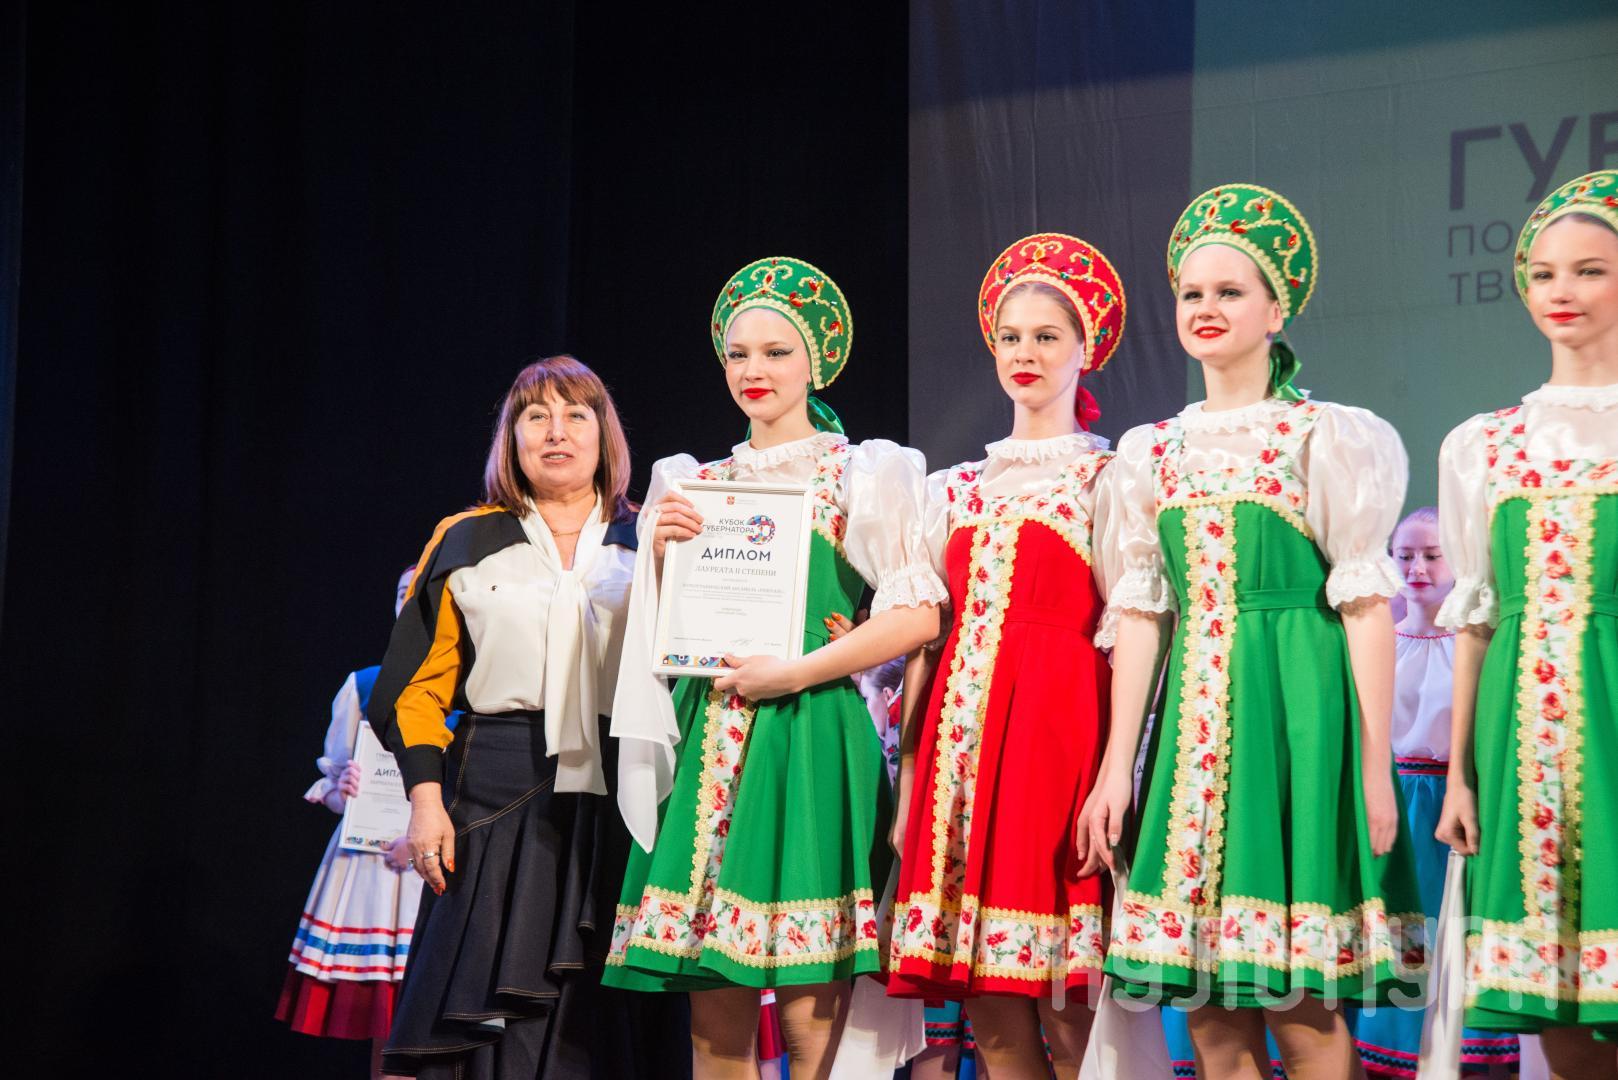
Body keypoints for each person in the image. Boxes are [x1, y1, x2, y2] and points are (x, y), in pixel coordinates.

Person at [1081, 184, 1426, 1078]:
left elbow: (1363, 602)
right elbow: (1143, 616)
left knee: (1301, 1005)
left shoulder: (1324, 436)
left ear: (1276, 312)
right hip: (1192, 735)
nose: (1207, 308)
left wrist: (1373, 764)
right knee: (1208, 1012)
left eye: (1230, 292)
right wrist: (1117, 768)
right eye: (1192, 293)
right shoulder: (1151, 451)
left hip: (1295, 718)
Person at [606, 255, 945, 1079]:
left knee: (807, 1017)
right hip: (712, 737)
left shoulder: (862, 472)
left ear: (816, 362)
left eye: (776, 352)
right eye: (738, 354)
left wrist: (796, 671)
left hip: (810, 729)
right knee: (714, 1022)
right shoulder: (694, 483)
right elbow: (660, 641)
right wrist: (662, 557)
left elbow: (917, 615)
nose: (753, 370)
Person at [369, 356, 686, 1078]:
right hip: (491, 793)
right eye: (536, 416)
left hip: (629, 794)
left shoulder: (653, 537)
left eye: (576, 415)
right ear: (511, 438)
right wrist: (425, 801)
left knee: (605, 1019)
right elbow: (415, 688)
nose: (556, 432)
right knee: (482, 1015)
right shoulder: (464, 538)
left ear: (605, 435)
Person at [886, 232, 1127, 1079]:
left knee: (1066, 1004)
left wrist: (1115, 772)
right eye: (1012, 337)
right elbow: (925, 644)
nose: (1026, 353)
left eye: (1047, 337)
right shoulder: (952, 488)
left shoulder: (1108, 479)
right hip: (958, 755)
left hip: (1057, 746)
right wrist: (910, 779)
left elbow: (1132, 627)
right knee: (988, 1009)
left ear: (1086, 349)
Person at [1435, 169, 1618, 1078]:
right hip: (1523, 739)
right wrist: (1461, 773)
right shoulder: (1487, 443)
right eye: (1544, 273)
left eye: (1589, 271)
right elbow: (1476, 614)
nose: (1561, 291)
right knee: (1557, 997)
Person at [1346, 509, 1520, 1076]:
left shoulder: (1477, 645)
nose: (1417, 568)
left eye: (1431, 555)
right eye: (1406, 556)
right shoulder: (1380, 643)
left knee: (1450, 929)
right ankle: (1388, 1046)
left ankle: (1458, 1047)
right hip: (1394, 800)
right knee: (1397, 932)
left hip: (1452, 802)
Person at [275, 566, 424, 1079]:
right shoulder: (364, 684)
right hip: (375, 868)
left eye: (422, 590)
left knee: (438, 1009)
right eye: (402, 592)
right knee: (387, 1019)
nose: (410, 600)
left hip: (440, 863)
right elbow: (336, 785)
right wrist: (345, 790)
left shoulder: (473, 687)